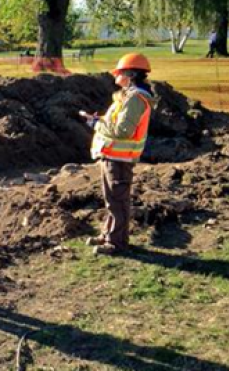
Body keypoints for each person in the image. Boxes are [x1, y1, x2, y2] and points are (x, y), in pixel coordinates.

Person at [82, 53, 157, 255]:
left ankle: (117, 243)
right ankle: (109, 235)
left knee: (118, 201)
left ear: (130, 74)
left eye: (119, 72)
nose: (115, 75)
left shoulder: (135, 99)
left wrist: (97, 124)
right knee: (112, 200)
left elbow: (124, 131)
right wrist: (101, 122)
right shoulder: (128, 96)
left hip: (120, 158)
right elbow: (117, 124)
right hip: (113, 156)